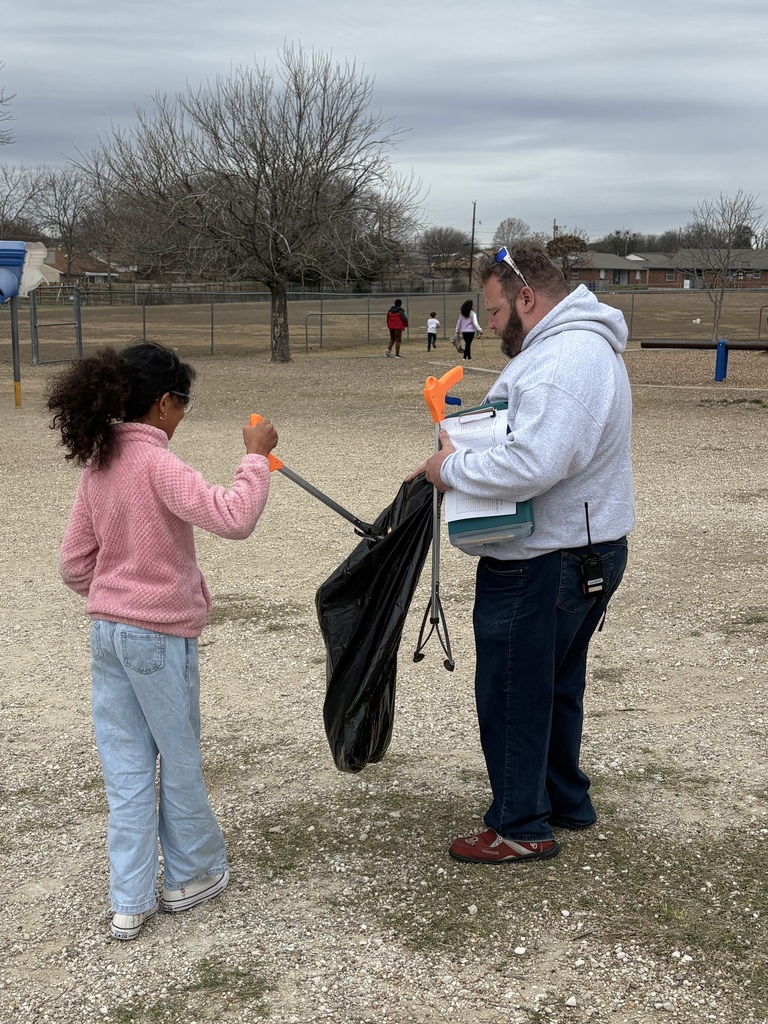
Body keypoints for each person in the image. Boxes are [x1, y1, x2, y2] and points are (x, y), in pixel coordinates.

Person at [410, 245, 634, 865]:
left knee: (512, 689)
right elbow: (531, 437)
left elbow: (537, 460)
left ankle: (519, 824)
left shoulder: (565, 359)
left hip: (545, 560)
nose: (486, 325)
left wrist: (450, 467)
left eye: (493, 309)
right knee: (554, 682)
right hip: (577, 550)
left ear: (526, 299)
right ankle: (562, 798)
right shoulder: (576, 350)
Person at [47, 341, 279, 939]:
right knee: (176, 760)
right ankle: (190, 874)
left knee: (125, 769)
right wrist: (255, 459)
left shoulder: (99, 464)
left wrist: (117, 592)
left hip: (107, 634)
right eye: (183, 404)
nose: (183, 416)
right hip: (158, 638)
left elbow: (75, 566)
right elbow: (233, 517)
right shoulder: (157, 464)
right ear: (162, 403)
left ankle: (128, 899)